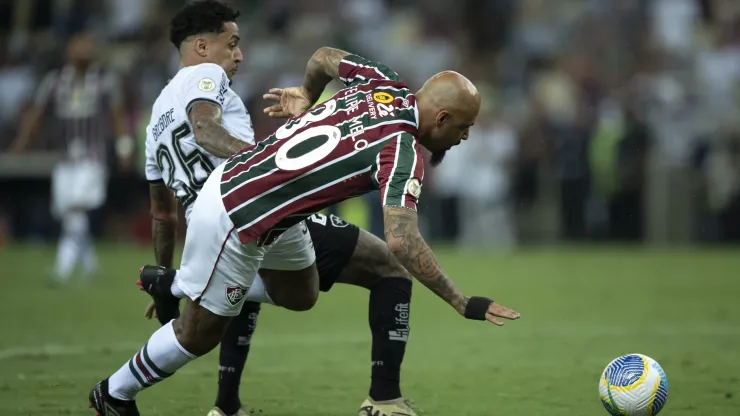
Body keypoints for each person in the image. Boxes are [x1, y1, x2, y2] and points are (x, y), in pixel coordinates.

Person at [88, 14, 520, 416]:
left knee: (303, 295)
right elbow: (402, 239)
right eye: (464, 127)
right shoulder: (403, 151)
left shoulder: (382, 81)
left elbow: (322, 58)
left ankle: (193, 282)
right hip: (237, 213)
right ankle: (114, 392)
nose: (464, 137)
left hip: (280, 215)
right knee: (199, 333)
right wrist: (462, 303)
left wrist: (309, 92)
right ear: (442, 118)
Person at [128, 2, 422, 415]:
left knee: (244, 285)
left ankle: (225, 405)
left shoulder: (156, 118)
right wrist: (263, 168)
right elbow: (207, 130)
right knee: (388, 269)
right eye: (231, 44)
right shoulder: (206, 77)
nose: (239, 55)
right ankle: (384, 400)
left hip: (207, 229)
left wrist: (164, 271)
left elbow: (163, 215)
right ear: (200, 46)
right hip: (250, 208)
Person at [10, 31, 132, 284]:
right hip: (64, 158)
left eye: (87, 46)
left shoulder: (104, 81)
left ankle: (60, 270)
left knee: (76, 209)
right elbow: (38, 113)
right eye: (78, 46)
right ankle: (90, 267)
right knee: (69, 213)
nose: (83, 51)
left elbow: (117, 116)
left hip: (92, 157)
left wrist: (123, 149)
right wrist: (21, 142)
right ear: (69, 51)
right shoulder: (54, 81)